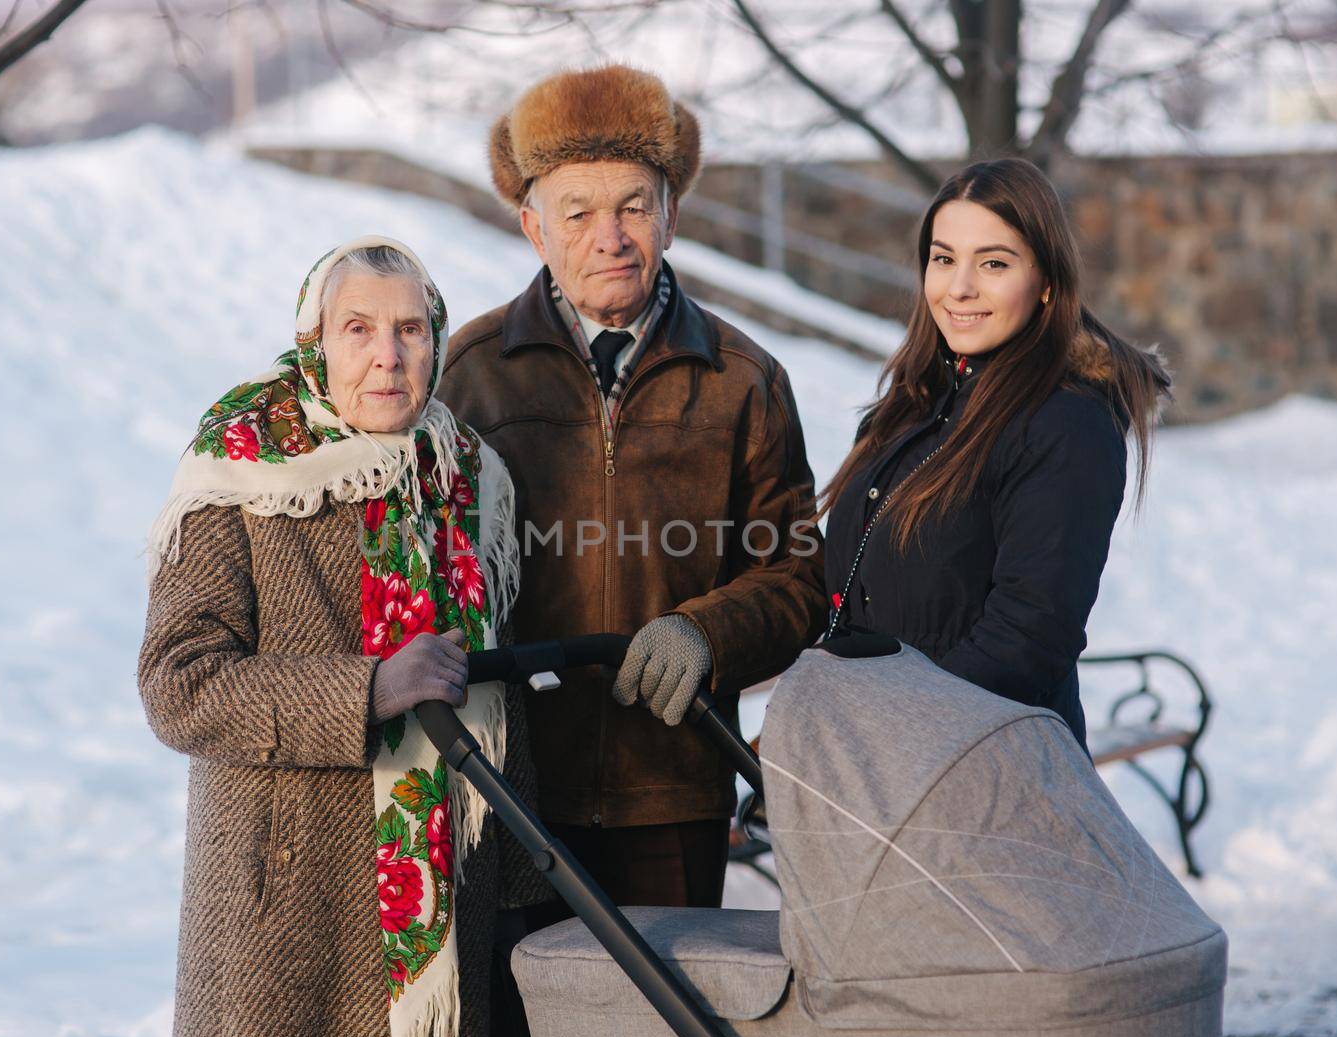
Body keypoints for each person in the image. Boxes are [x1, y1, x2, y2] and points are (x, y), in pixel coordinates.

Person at [137, 237, 548, 1037]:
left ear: (436, 338)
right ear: (315, 342)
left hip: (445, 907)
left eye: (410, 330)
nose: (387, 357)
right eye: (358, 329)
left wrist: (521, 896)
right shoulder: (240, 462)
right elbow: (179, 681)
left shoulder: (471, 474)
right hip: (287, 905)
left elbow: (497, 690)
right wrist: (369, 687)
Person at [438, 65, 823, 915]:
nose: (609, 236)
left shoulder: (743, 379)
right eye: (578, 212)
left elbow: (797, 584)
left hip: (674, 790)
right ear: (535, 228)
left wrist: (704, 632)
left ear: (672, 216)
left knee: (661, 1036)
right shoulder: (470, 376)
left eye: (634, 206)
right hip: (512, 789)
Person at [820, 158, 1171, 748]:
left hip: (980, 784)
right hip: (874, 778)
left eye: (993, 263)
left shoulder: (1066, 424)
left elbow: (1026, 639)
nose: (959, 287)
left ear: (1047, 283)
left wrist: (891, 741)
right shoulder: (908, 410)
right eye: (943, 258)